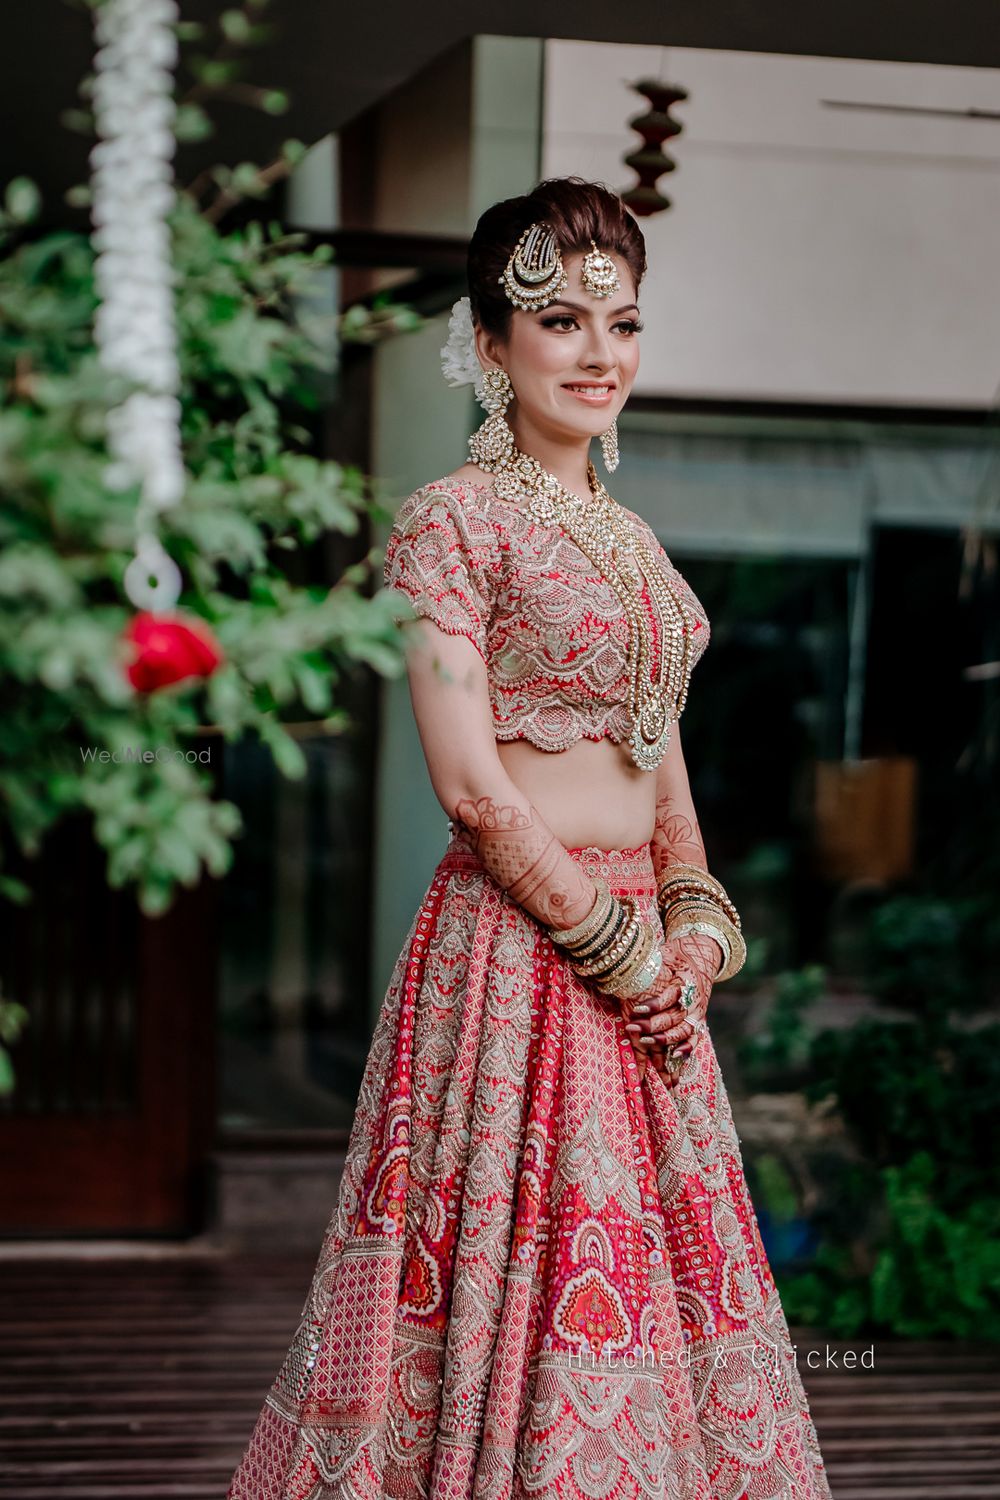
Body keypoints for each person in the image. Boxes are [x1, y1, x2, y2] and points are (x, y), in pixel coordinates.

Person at [228, 178, 832, 1500]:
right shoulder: (452, 523)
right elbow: (473, 788)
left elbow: (663, 773)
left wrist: (696, 939)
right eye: (560, 319)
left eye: (623, 324)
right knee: (505, 1302)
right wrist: (619, 951)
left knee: (653, 1316)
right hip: (516, 959)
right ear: (490, 345)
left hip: (645, 992)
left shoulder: (640, 547)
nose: (599, 351)